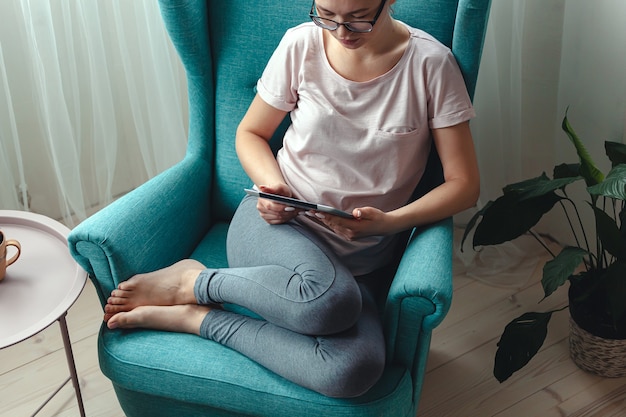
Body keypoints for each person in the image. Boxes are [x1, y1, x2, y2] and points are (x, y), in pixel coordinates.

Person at [103, 0, 480, 398]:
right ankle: (194, 281)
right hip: (274, 225)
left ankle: (196, 320)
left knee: (353, 369)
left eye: (359, 17)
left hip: (360, 264)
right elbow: (250, 133)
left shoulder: (431, 65)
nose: (341, 31)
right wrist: (271, 185)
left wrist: (389, 223)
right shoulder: (301, 44)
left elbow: (464, 183)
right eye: (326, 13)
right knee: (329, 303)